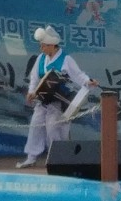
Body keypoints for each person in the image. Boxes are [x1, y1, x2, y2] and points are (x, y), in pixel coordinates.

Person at [16, 25, 99, 168]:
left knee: (53, 128)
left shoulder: (66, 59)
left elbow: (78, 75)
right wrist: (31, 92)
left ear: (51, 45)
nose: (41, 48)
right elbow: (34, 78)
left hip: (58, 101)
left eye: (43, 45)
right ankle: (31, 157)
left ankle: (58, 158)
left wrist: (88, 81)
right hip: (42, 100)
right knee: (35, 125)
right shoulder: (41, 58)